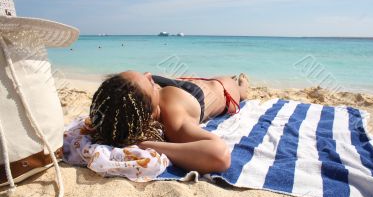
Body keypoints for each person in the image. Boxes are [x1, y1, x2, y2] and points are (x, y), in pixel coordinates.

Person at [87, 71, 250, 174]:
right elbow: (220, 156)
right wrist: (144, 144)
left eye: (146, 77)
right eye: (149, 83)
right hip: (225, 89)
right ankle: (242, 86)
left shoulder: (124, 105)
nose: (148, 74)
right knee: (240, 90)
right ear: (150, 110)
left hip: (197, 82)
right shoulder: (175, 118)